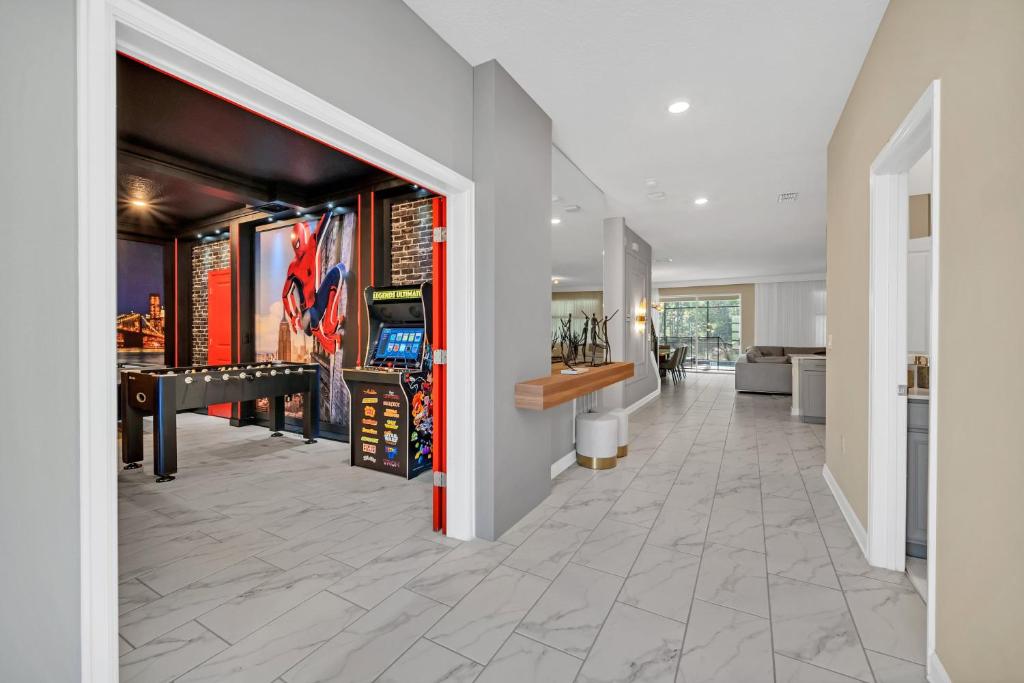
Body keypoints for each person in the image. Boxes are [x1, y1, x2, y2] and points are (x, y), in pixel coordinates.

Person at [282, 212, 346, 354]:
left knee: (338, 271)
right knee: (310, 314)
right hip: (308, 316)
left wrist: (328, 211)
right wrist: (293, 317)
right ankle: (327, 339)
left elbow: (322, 225)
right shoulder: (293, 267)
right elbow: (285, 295)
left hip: (317, 304)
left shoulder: (312, 244)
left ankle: (329, 324)